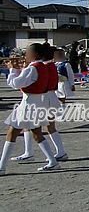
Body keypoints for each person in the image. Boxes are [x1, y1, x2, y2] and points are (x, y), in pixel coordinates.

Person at [0, 43, 59, 174]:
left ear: (35, 54)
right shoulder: (40, 66)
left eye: (27, 52)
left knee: (13, 132)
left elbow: (16, 83)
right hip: (37, 102)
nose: (25, 55)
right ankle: (52, 161)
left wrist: (12, 70)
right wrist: (20, 69)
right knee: (36, 133)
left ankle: (2, 167)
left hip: (29, 103)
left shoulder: (33, 68)